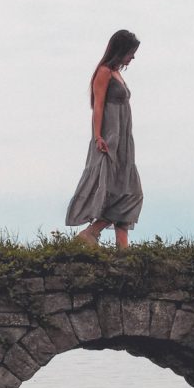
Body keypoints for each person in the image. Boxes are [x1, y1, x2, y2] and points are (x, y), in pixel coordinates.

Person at [65, 29, 144, 249]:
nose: (133, 57)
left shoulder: (118, 73)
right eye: (131, 52)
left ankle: (123, 248)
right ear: (120, 50)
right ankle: (92, 232)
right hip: (110, 136)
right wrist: (98, 135)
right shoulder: (104, 72)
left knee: (128, 189)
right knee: (118, 190)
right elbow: (97, 105)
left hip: (125, 140)